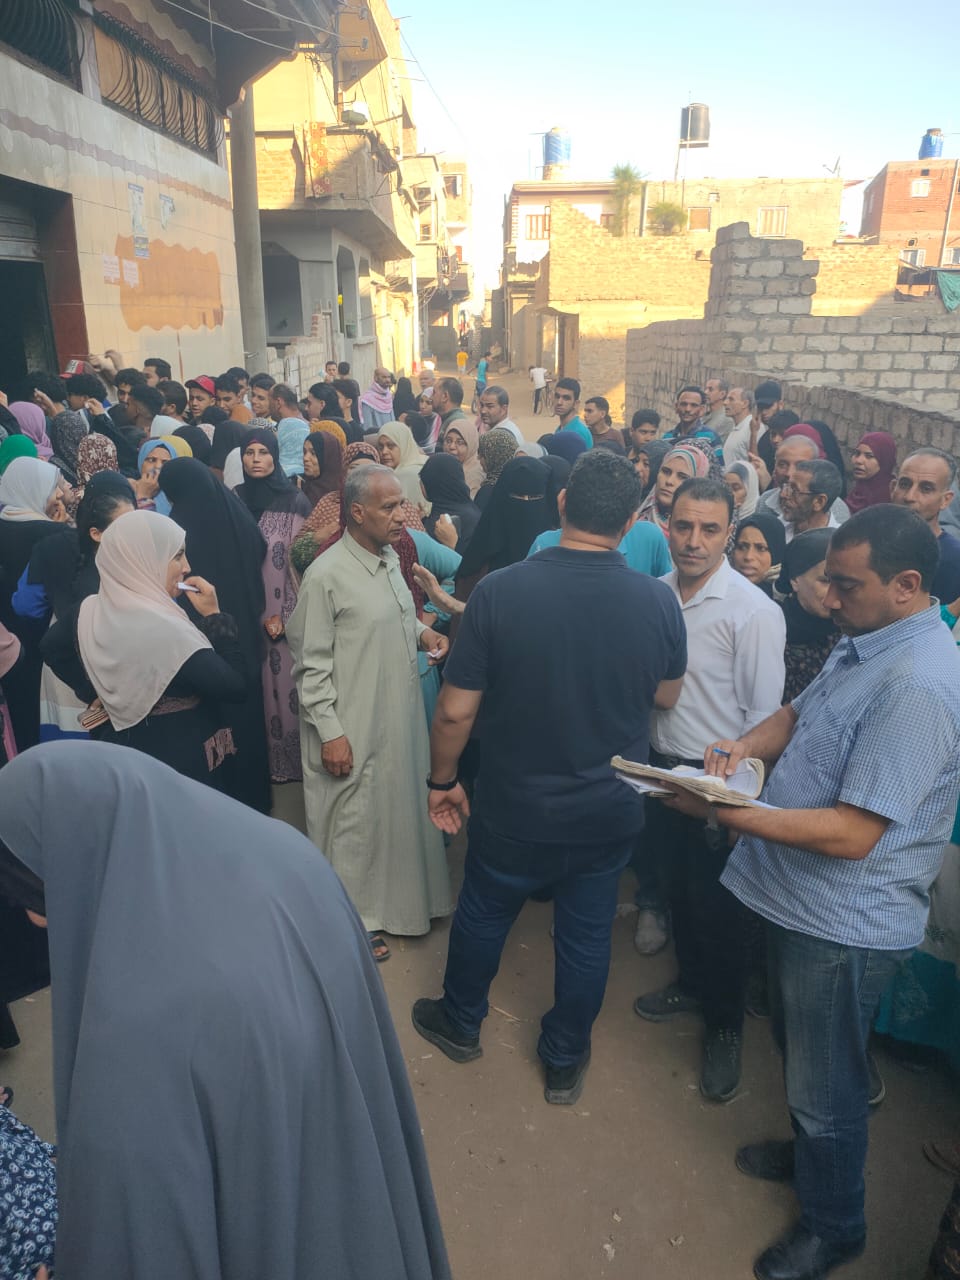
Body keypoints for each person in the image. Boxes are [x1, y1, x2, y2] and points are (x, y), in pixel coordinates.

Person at [0, 741, 453, 1280]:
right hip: (345, 1166)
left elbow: (137, 1235)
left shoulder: (132, 1025)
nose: (35, 918)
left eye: (34, 893)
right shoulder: (291, 853)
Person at [689, 504, 960, 1280]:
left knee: (827, 1083)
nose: (827, 598)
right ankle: (816, 1158)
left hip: (842, 922)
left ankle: (835, 1224)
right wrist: (740, 750)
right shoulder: (868, 637)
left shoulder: (918, 683)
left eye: (846, 584)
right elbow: (796, 713)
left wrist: (730, 811)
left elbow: (853, 833)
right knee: (806, 1056)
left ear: (906, 585)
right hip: (798, 900)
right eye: (828, 581)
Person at [412, 450, 687, 1103]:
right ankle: (564, 1059)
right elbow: (667, 695)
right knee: (587, 934)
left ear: (561, 504)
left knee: (484, 911)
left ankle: (461, 1021)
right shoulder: (659, 600)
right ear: (632, 521)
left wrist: (442, 782)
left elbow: (454, 710)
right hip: (608, 810)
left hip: (515, 805)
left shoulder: (501, 592)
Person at [635, 478, 785, 1103]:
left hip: (716, 783)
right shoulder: (655, 592)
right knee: (675, 890)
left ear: (729, 535)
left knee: (718, 910)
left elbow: (763, 720)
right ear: (665, 525)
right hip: (658, 772)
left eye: (709, 529)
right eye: (683, 526)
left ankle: (725, 1027)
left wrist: (732, 804)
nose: (693, 541)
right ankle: (692, 985)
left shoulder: (753, 612)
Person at [287, 465, 452, 957]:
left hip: (394, 718)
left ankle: (395, 908)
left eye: (403, 505)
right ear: (357, 512)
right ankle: (349, 923)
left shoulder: (388, 560)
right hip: (350, 722)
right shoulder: (327, 575)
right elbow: (310, 666)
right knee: (352, 825)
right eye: (390, 507)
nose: (402, 516)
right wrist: (331, 733)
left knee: (391, 816)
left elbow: (398, 618)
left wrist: (426, 634)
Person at [41, 510, 246, 790]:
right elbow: (234, 686)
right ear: (143, 559)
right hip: (176, 759)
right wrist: (215, 617)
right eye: (177, 555)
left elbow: (50, 647)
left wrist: (97, 691)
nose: (186, 566)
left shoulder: (89, 610)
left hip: (118, 750)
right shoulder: (166, 630)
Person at [159, 457, 271, 813]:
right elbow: (258, 549)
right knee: (246, 707)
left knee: (219, 712)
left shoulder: (178, 528)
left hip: (205, 632)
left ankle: (227, 801)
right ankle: (255, 796)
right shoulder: (236, 513)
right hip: (244, 625)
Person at [234, 428, 312, 787]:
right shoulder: (234, 497)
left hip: (281, 613)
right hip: (244, 610)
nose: (255, 460)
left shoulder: (294, 500)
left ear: (275, 456)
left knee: (285, 687)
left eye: (263, 453)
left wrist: (285, 614)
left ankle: (292, 764)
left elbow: (301, 565)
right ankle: (261, 764)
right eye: (249, 453)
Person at [0, 458, 67, 749]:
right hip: (42, 645)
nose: (60, 494)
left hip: (6, 646)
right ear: (34, 489)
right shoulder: (53, 535)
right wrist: (62, 532)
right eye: (53, 488)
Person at [293, 441, 424, 570]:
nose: (363, 475)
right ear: (344, 472)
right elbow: (297, 552)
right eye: (355, 468)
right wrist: (321, 536)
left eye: (370, 469)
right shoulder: (329, 502)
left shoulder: (399, 504)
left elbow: (421, 549)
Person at [455, 457, 556, 595]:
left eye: (534, 498)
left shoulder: (558, 550)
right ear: (500, 498)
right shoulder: (479, 562)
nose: (525, 503)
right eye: (517, 496)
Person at [776, 528, 840, 703]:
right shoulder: (771, 631)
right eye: (825, 581)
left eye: (842, 581)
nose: (835, 592)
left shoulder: (854, 634)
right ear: (795, 580)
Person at [890, 447, 960, 605]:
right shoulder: (869, 543)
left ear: (946, 500)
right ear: (892, 488)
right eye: (904, 484)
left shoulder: (955, 561)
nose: (910, 496)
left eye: (926, 489)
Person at [637, 441, 712, 537]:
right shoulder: (638, 517)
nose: (669, 481)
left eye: (682, 477)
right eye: (666, 471)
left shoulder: (700, 535)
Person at [420, 452, 480, 553]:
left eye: (422, 480)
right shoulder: (472, 512)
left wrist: (453, 545)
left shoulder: (440, 523)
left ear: (430, 483)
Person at [780, 459, 843, 542]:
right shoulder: (777, 527)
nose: (783, 494)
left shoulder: (840, 543)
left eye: (794, 490)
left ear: (819, 502)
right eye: (787, 486)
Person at [729, 511, 787, 598]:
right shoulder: (717, 591)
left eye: (761, 548)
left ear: (776, 552)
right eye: (741, 547)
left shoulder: (792, 599)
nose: (748, 557)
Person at [377, 421, 428, 512]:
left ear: (404, 444)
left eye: (390, 446)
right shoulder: (425, 461)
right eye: (381, 447)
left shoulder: (402, 475)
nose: (384, 452)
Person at [846, 432, 897, 514]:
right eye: (857, 453)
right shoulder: (858, 492)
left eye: (869, 456)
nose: (858, 461)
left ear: (884, 461)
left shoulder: (886, 501)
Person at [662, 386, 721, 456]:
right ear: (676, 407)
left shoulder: (710, 437)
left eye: (694, 405)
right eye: (683, 404)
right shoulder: (667, 437)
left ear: (702, 409)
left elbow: (719, 462)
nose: (688, 409)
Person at [475, 427, 518, 512]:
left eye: (483, 454)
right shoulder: (520, 485)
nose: (478, 458)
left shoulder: (488, 492)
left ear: (494, 457)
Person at [441, 418, 484, 497]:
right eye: (448, 441)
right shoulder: (443, 468)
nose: (452, 447)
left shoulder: (475, 477)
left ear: (471, 445)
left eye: (460, 442)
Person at [301, 430, 343, 507]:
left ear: (328, 458)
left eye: (313, 453)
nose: (305, 458)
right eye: (304, 452)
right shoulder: (300, 486)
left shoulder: (341, 497)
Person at [722, 386, 761, 467]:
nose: (725, 403)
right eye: (726, 399)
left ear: (745, 404)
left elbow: (756, 462)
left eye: (731, 399)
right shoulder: (736, 426)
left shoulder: (753, 426)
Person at [552, 377, 591, 450]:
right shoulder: (562, 428)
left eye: (566, 398)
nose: (559, 402)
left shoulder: (578, 433)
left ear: (576, 403)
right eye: (557, 396)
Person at [359, 367, 395, 432]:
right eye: (384, 377)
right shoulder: (367, 399)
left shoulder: (389, 396)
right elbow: (367, 427)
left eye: (388, 377)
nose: (387, 380)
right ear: (376, 378)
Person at [433, 377, 467, 442]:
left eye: (434, 393)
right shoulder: (447, 419)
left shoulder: (456, 424)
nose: (430, 397)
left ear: (445, 396)